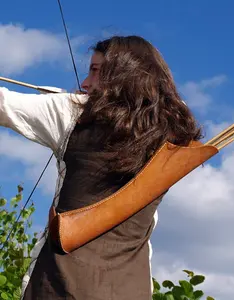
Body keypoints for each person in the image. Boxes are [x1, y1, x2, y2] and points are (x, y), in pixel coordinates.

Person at [0, 35, 202, 299]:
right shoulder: (172, 137)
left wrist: (69, 102)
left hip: (59, 288)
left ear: (125, 75)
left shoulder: (72, 114)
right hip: (131, 290)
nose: (84, 83)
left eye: (95, 72)